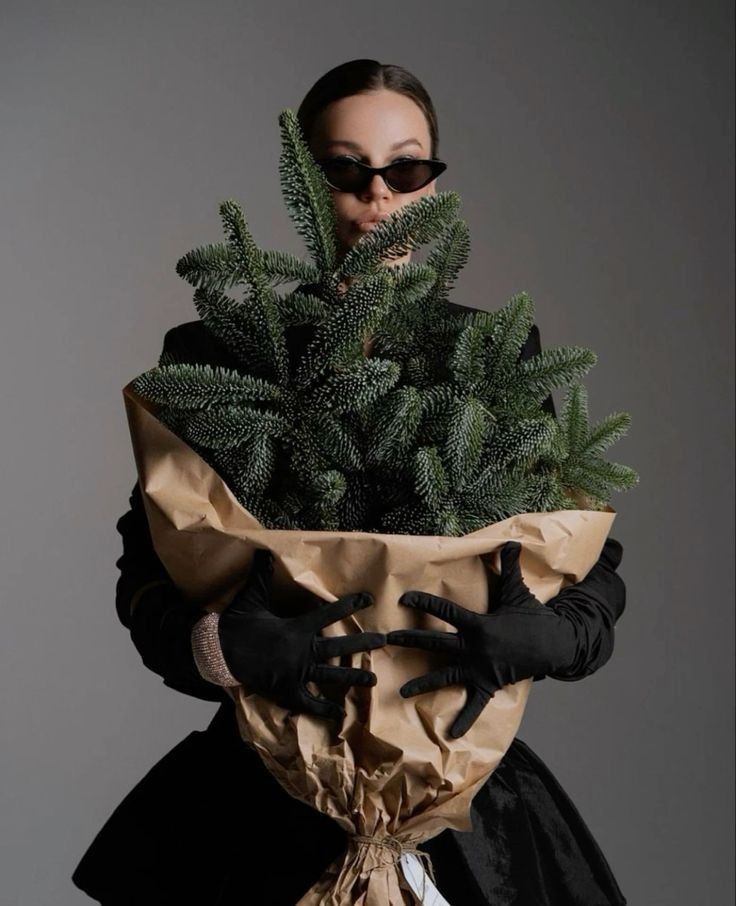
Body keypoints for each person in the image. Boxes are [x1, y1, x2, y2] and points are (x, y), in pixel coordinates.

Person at [72, 60, 628, 905]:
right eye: (345, 168)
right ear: (306, 178)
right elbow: (146, 574)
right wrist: (225, 650)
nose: (379, 195)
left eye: (405, 168)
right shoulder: (218, 354)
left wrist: (546, 640)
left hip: (458, 800)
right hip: (258, 803)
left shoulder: (495, 358)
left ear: (434, 183)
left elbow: (596, 572)